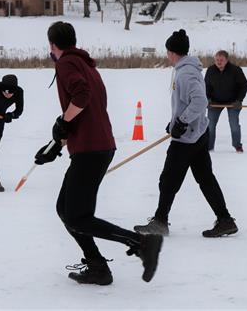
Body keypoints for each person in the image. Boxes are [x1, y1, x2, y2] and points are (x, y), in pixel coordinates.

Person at [34, 21, 163, 286]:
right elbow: (86, 108)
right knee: (65, 209)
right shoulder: (86, 63)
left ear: (52, 45)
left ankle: (141, 243)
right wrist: (57, 142)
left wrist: (63, 122)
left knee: (78, 216)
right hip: (95, 145)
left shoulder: (67, 63)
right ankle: (97, 267)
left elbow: (81, 96)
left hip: (91, 148)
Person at [134, 30, 238, 238]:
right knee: (205, 178)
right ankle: (225, 220)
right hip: (196, 134)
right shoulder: (187, 70)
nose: (167, 56)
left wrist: (181, 122)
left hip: (187, 138)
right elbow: (188, 103)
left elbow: (200, 102)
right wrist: (174, 122)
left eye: (168, 52)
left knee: (168, 180)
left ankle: (161, 221)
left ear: (173, 52)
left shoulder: (186, 73)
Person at [204, 50, 247, 153]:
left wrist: (239, 100)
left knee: (234, 126)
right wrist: (208, 99)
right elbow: (205, 86)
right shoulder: (210, 70)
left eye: (221, 60)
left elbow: (244, 86)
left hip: (233, 102)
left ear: (226, 60)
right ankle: (209, 148)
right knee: (210, 126)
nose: (219, 62)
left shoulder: (236, 70)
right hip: (214, 102)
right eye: (217, 60)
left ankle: (237, 146)